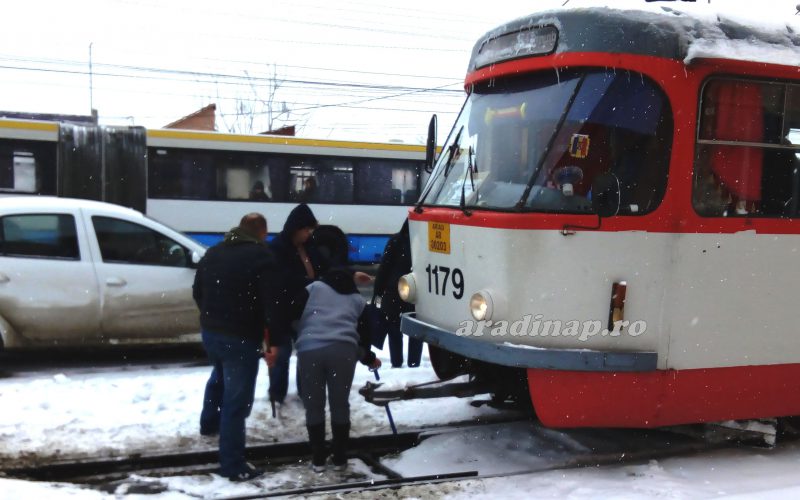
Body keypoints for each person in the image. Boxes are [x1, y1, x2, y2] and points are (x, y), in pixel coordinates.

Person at [193, 213, 284, 482]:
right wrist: (275, 343)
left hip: (211, 332)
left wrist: (211, 317)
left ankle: (208, 424)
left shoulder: (214, 252)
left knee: (219, 375)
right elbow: (272, 305)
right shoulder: (261, 257)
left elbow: (198, 291)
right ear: (262, 233)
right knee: (237, 401)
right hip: (240, 336)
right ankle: (233, 465)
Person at [294, 268, 382, 471]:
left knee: (314, 405)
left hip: (309, 352)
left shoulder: (314, 288)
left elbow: (292, 312)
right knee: (339, 404)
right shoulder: (358, 301)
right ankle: (340, 458)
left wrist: (302, 333)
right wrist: (369, 359)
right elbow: (362, 340)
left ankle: (318, 459)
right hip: (342, 353)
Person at [267, 203, 327, 412]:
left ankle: (306, 390)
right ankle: (277, 393)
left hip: (307, 308)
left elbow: (323, 269)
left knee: (307, 354)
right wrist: (307, 282)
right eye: (306, 230)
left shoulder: (309, 247)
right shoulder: (277, 248)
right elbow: (281, 280)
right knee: (281, 354)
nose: (309, 234)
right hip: (283, 310)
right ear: (296, 228)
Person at [373, 219, 422, 368]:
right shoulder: (423, 243)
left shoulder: (395, 241)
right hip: (417, 293)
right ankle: (414, 364)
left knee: (394, 328)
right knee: (416, 329)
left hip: (394, 291)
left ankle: (396, 362)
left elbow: (384, 268)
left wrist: (378, 292)